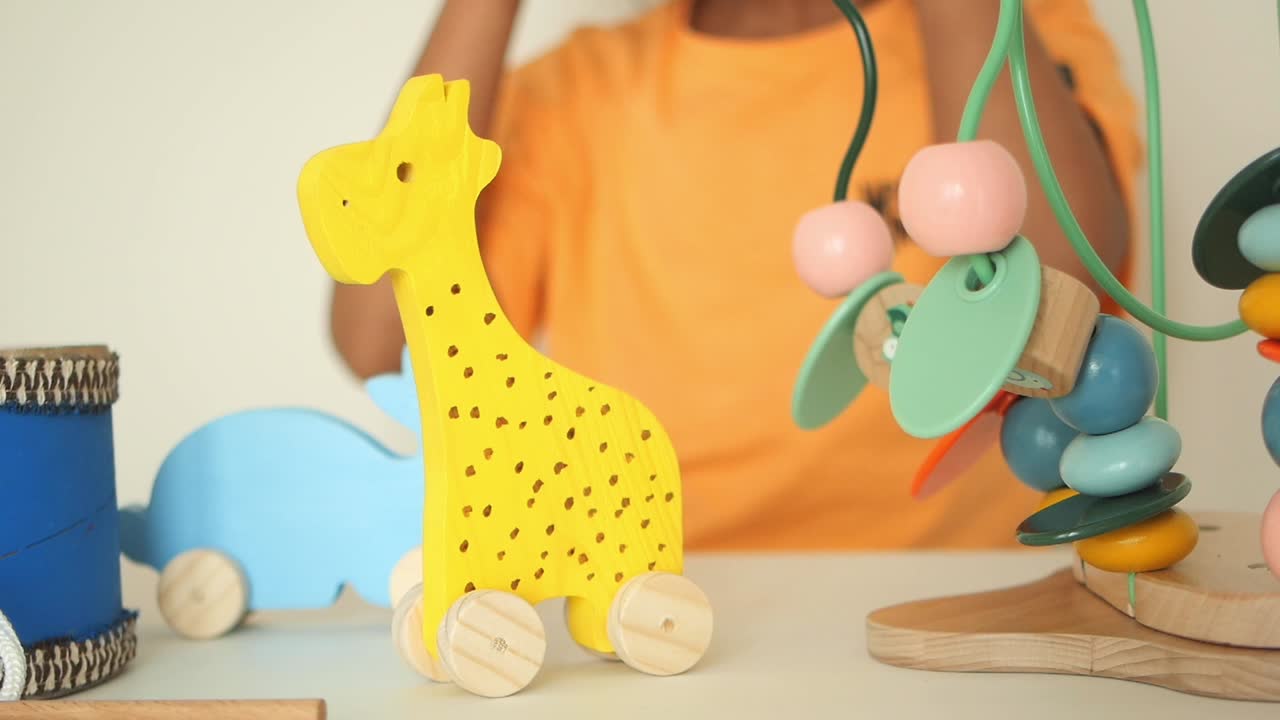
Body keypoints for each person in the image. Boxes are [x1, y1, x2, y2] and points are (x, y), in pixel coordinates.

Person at [330, 0, 1141, 551]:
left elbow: (1059, 305)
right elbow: (383, 343)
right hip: (654, 597)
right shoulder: (573, 91)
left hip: (974, 587)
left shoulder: (1011, 27)